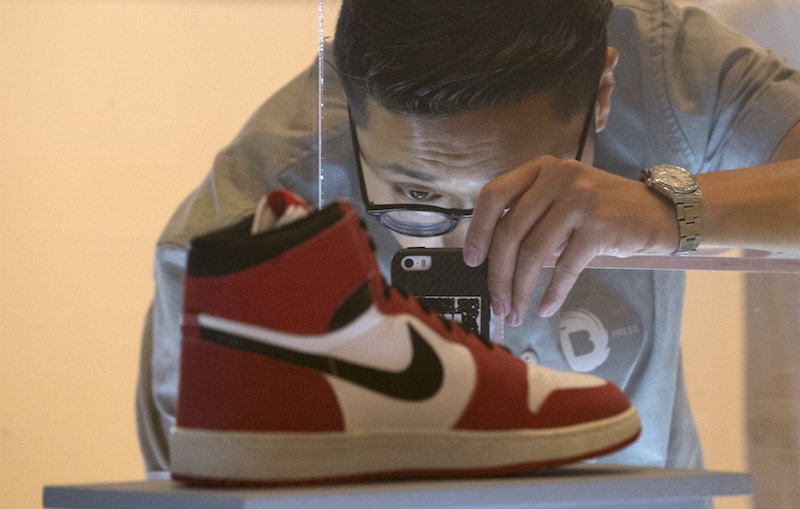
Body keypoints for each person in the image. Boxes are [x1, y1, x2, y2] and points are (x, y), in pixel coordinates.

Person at [136, 0, 800, 479]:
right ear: (347, 100)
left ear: (603, 93)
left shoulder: (661, 68)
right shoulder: (237, 248)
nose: (470, 250)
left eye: (517, 197)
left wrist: (669, 207)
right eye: (416, 195)